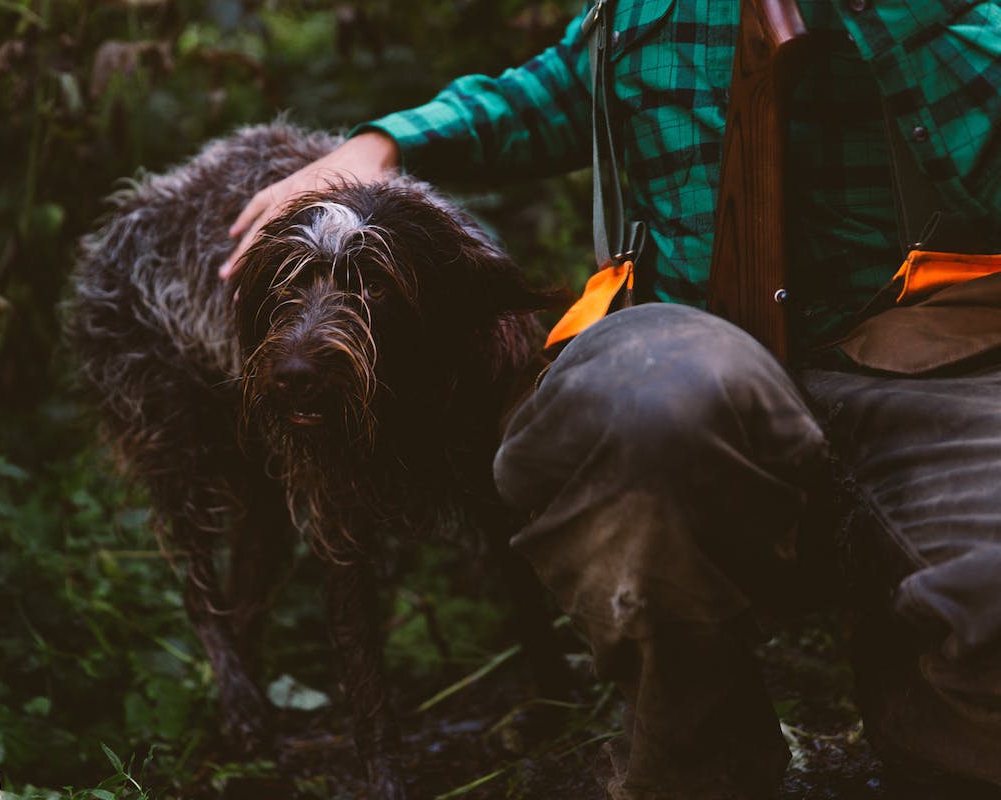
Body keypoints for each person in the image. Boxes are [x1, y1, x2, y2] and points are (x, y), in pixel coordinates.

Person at [222, 2, 1001, 797]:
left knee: (989, 602)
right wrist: (386, 140)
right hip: (691, 335)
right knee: (637, 409)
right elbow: (574, 82)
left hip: (926, 353)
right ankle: (702, 768)